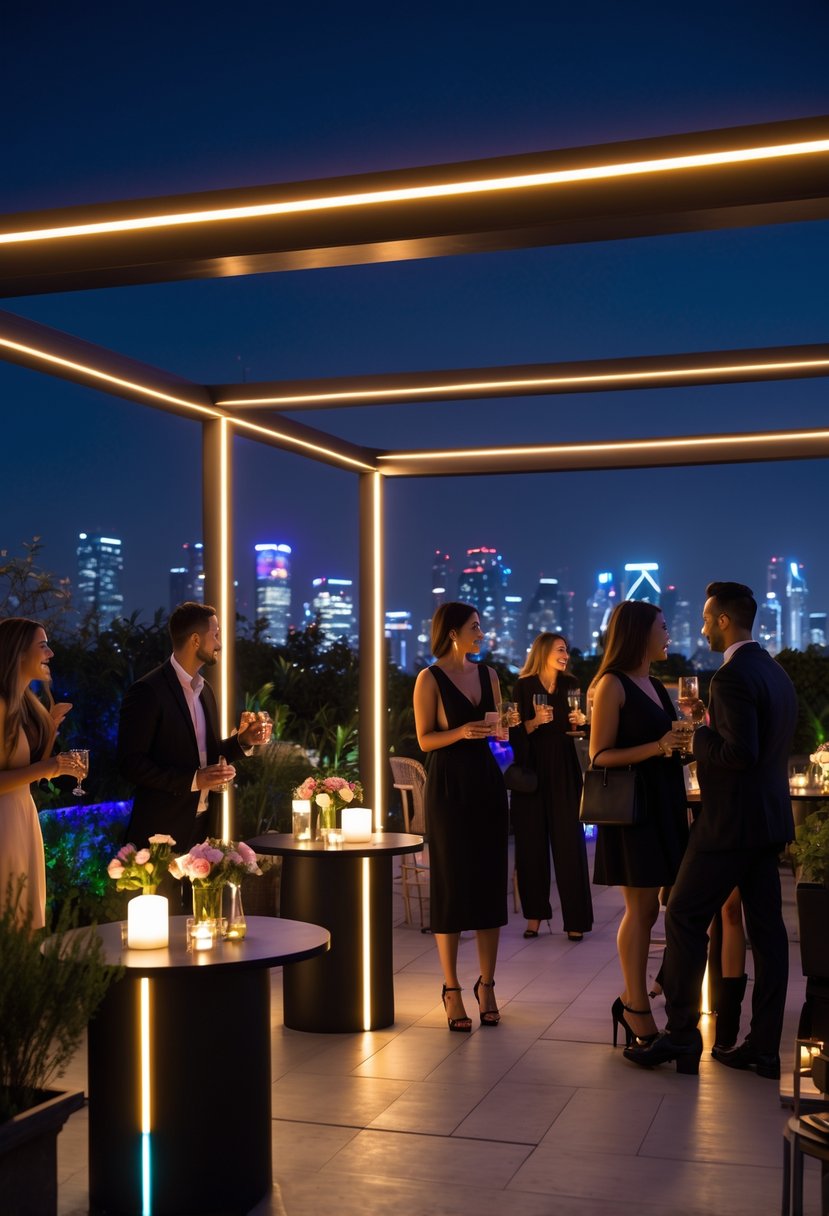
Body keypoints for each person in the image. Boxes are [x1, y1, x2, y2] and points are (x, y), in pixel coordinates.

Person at [625, 581, 797, 1078]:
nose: (701, 627)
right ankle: (762, 1047)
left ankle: (681, 1037)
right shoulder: (774, 671)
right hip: (767, 821)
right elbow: (757, 744)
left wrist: (696, 736)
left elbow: (738, 754)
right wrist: (713, 723)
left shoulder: (731, 678)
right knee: (768, 935)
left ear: (724, 620)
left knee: (681, 914)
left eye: (705, 618)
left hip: (728, 825)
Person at [588, 600, 688, 1049]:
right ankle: (635, 1006)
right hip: (633, 809)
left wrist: (681, 738)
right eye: (663, 628)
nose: (669, 634)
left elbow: (664, 743)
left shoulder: (654, 684)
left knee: (656, 908)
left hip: (663, 802)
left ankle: (634, 999)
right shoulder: (612, 684)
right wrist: (658, 746)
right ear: (639, 633)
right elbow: (598, 756)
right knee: (642, 910)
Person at [413, 602, 509, 1031]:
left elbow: (501, 732)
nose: (482, 633)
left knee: (490, 882)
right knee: (451, 884)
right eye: (475, 627)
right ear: (453, 633)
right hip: (449, 785)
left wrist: (506, 727)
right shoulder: (428, 678)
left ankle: (486, 983)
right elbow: (424, 739)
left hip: (487, 783)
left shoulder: (489, 675)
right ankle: (451, 988)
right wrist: (462, 732)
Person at [118, 602, 269, 855]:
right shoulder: (148, 691)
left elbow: (206, 755)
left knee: (202, 898)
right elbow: (130, 764)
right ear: (196, 640)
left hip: (204, 832)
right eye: (216, 635)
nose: (219, 644)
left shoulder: (204, 690)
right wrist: (193, 780)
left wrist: (243, 741)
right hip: (161, 835)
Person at [510, 632, 593, 941]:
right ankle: (534, 916)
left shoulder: (571, 686)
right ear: (544, 652)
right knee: (531, 847)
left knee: (569, 845)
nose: (565, 655)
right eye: (560, 650)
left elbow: (581, 730)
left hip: (563, 771)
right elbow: (515, 732)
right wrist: (533, 722)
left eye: (567, 650)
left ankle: (576, 919)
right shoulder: (523, 686)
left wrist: (582, 721)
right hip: (531, 774)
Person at [0, 617, 77, 929]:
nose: (51, 654)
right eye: (43, 645)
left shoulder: (23, 706)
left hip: (21, 816)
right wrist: (48, 766)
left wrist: (51, 732)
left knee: (26, 923)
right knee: (11, 922)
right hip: (5, 825)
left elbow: (27, 774)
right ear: (18, 653)